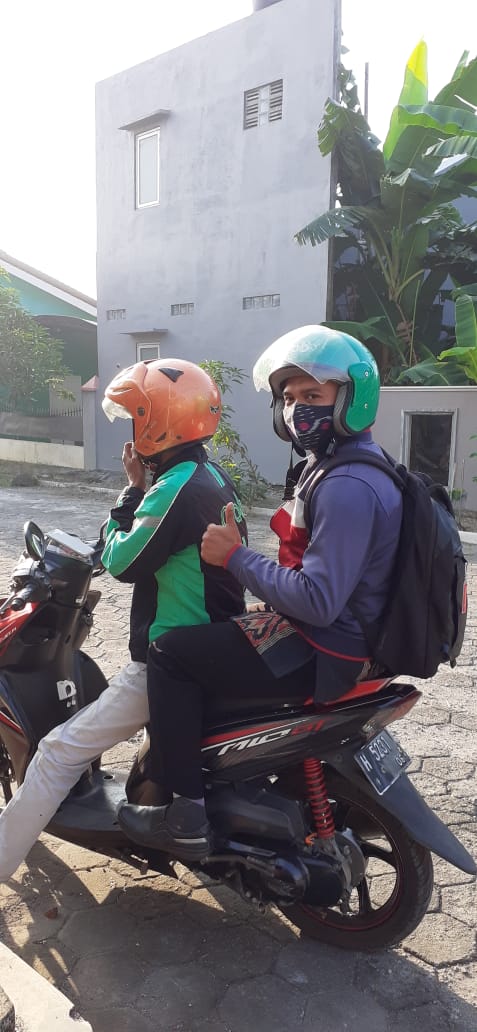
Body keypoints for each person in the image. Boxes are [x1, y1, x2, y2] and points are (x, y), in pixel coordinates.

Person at [118, 325, 403, 860]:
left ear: (352, 399)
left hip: (327, 648)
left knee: (172, 653)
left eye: (313, 395)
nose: (297, 411)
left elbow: (317, 600)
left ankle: (185, 815)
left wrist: (234, 558)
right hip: (340, 637)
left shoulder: (347, 485)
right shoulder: (348, 466)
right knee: (226, 634)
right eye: (289, 398)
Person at [0, 358, 247, 880]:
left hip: (170, 657)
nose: (133, 428)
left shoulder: (175, 486)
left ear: (160, 423)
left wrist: (128, 493)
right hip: (214, 641)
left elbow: (121, 561)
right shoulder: (212, 476)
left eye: (138, 416)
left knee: (57, 752)